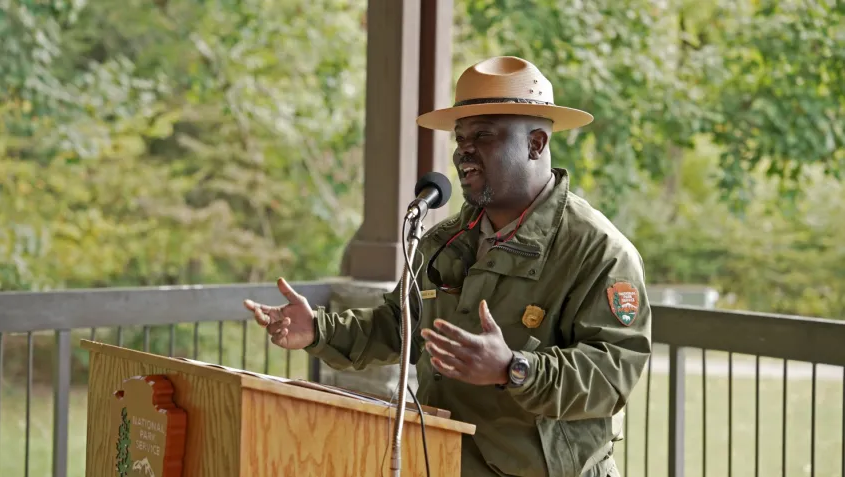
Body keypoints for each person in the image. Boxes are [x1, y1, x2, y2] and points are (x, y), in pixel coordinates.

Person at [244, 56, 652, 477]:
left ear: (536, 144)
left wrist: (512, 368)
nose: (464, 151)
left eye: (483, 135)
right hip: (444, 463)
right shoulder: (445, 241)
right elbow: (399, 327)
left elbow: (611, 375)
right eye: (460, 138)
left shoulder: (598, 251)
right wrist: (318, 330)